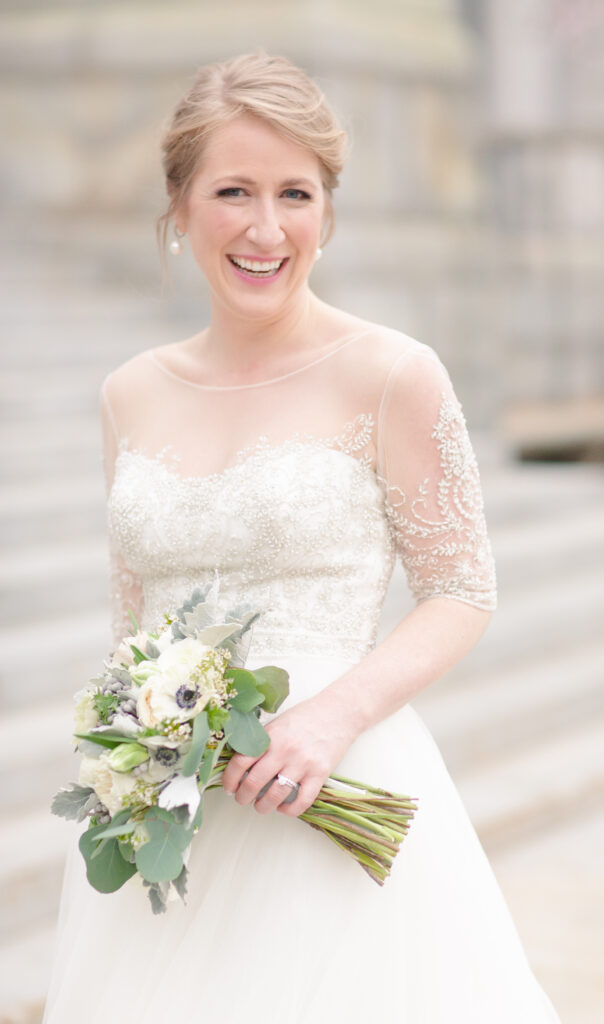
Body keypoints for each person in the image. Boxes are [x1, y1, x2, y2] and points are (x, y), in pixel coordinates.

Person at [43, 52, 562, 1022]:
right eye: (232, 190)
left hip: (335, 787)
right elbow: (133, 617)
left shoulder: (390, 373)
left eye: (296, 193)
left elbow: (460, 590)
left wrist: (328, 718)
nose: (264, 228)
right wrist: (138, 745)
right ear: (179, 204)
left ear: (327, 210)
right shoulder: (128, 392)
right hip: (174, 811)